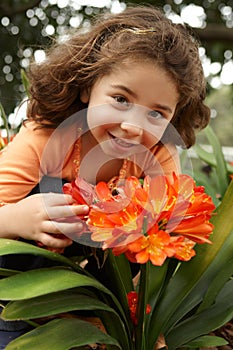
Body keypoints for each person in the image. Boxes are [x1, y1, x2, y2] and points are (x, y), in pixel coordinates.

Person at [0, 5, 210, 346]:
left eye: (157, 113)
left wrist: (143, 323)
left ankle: (96, 322)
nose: (133, 126)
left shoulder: (157, 154)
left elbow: (167, 236)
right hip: (19, 282)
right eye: (120, 99)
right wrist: (15, 219)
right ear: (87, 88)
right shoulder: (43, 140)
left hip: (92, 290)